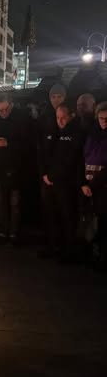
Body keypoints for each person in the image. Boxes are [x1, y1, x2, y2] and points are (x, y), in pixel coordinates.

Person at [39, 103, 85, 262]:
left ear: (71, 116)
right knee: (50, 214)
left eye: (63, 117)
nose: (60, 121)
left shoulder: (76, 133)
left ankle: (69, 250)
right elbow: (43, 153)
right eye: (57, 117)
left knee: (67, 216)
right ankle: (53, 246)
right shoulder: (52, 130)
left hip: (65, 183)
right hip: (48, 181)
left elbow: (70, 160)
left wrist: (52, 176)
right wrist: (44, 174)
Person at [0, 93, 29, 244]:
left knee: (14, 203)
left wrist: (8, 143)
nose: (3, 113)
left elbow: (27, 143)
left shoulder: (22, 119)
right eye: (0, 110)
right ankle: (3, 231)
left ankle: (14, 233)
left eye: (5, 109)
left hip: (16, 167)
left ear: (11, 105)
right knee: (0, 202)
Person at [81, 102, 107, 270]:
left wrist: (94, 184)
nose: (104, 121)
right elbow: (83, 158)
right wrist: (83, 183)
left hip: (102, 188)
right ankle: (93, 254)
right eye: (101, 118)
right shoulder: (92, 135)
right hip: (89, 187)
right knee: (91, 222)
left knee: (103, 223)